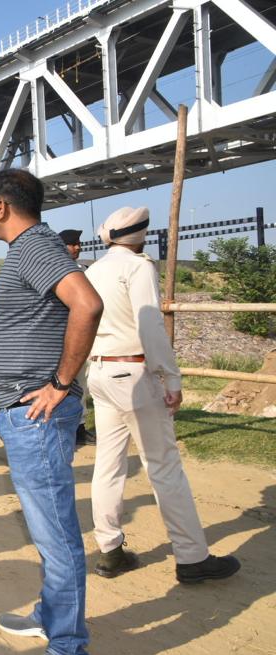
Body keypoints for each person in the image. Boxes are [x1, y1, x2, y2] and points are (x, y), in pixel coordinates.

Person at [0, 169, 103, 655]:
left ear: (0, 206)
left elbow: (87, 303)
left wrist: (60, 382)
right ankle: (50, 616)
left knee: (56, 533)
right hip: (23, 414)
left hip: (38, 415)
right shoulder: (32, 247)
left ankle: (71, 652)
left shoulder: (32, 245)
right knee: (44, 526)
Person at [85, 206, 240, 584]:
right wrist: (171, 377)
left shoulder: (92, 270)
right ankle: (191, 557)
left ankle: (109, 551)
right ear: (141, 235)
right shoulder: (138, 268)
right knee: (164, 466)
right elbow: (150, 323)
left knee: (108, 463)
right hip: (133, 372)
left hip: (101, 370)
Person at [59, 229, 96, 446]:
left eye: (78, 244)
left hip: (81, 335)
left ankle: (79, 427)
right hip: (59, 337)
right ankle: (61, 427)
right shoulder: (52, 270)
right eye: (72, 244)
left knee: (81, 383)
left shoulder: (86, 271)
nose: (77, 248)